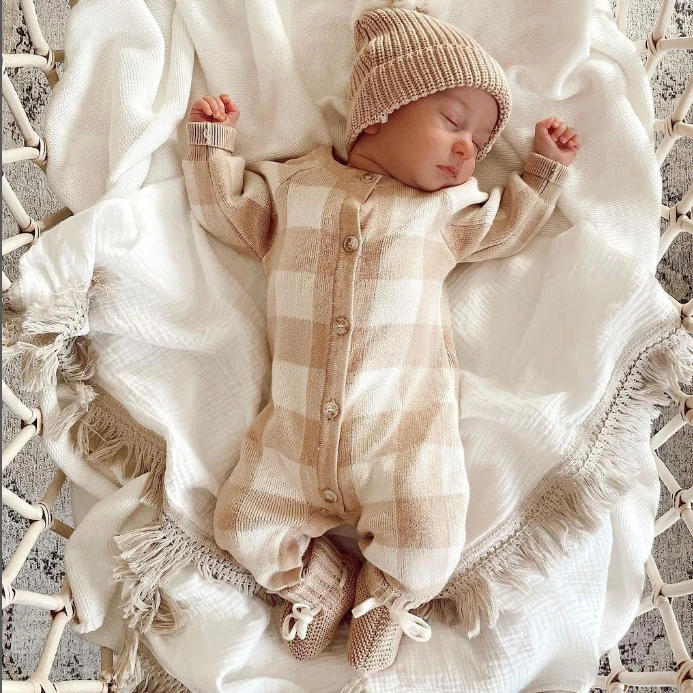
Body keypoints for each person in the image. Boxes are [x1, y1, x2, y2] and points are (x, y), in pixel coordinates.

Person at [182, 1, 580, 674]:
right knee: (243, 523)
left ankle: (387, 597)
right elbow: (226, 212)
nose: (468, 150)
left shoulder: (443, 213)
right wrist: (210, 146)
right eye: (452, 121)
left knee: (428, 538)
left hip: (400, 443)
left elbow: (506, 227)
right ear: (380, 111)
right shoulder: (294, 185)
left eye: (480, 144)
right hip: (293, 445)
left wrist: (541, 170)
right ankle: (318, 580)